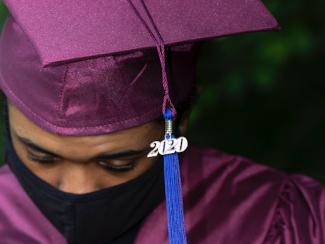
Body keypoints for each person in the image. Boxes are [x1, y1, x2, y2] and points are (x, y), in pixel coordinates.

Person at [0, 1, 324, 244]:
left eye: (119, 163)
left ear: (180, 122)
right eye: (41, 157)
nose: (78, 189)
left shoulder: (279, 219)